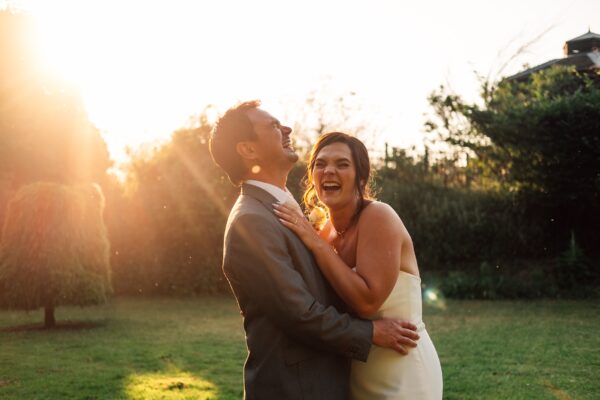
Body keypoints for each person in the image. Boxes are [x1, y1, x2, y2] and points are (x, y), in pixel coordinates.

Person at [209, 101, 420, 400]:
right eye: (272, 126)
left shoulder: (280, 209)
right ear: (248, 150)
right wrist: (371, 332)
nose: (287, 129)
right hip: (295, 387)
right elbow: (300, 314)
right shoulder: (251, 221)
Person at [274, 132, 443, 399]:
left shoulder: (378, 216)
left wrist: (312, 241)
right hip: (356, 370)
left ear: (360, 177)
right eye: (320, 164)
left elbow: (367, 302)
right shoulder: (324, 231)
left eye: (342, 164)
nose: (329, 170)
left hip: (402, 369)